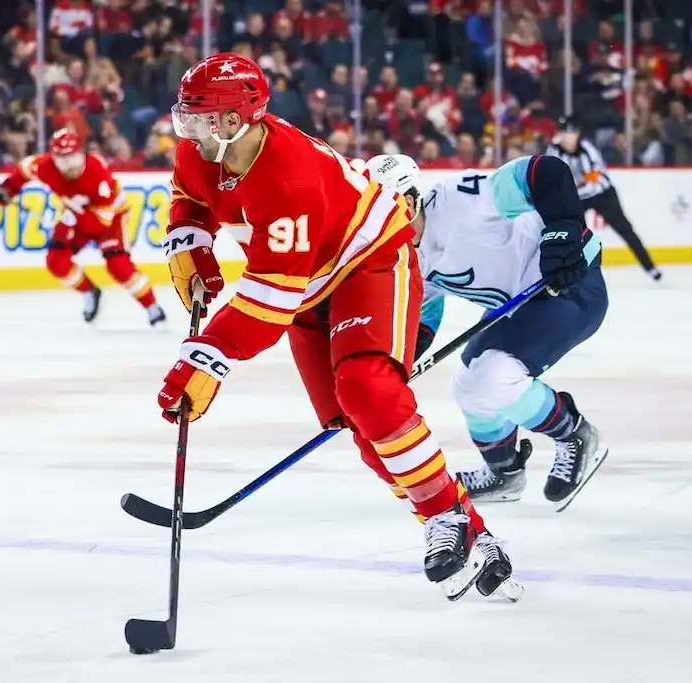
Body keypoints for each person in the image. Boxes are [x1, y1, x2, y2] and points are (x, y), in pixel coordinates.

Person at [156, 52, 521, 601]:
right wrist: (190, 239)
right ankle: (469, 528)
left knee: (368, 389)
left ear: (234, 121)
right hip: (307, 282)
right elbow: (191, 195)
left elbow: (269, 298)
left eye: (197, 119)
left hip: (369, 262)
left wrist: (208, 355)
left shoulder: (289, 176)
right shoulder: (201, 149)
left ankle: (442, 516)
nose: (187, 131)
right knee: (354, 420)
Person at [363, 153, 610, 511]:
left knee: (494, 378)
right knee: (467, 384)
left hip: (568, 286)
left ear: (413, 198)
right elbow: (422, 315)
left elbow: (547, 171)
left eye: (391, 210)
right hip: (518, 305)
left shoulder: (463, 201)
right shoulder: (405, 254)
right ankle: (504, 471)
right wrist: (395, 364)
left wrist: (564, 231)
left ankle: (574, 434)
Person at [0, 128, 165, 326]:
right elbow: (24, 170)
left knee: (118, 264)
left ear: (82, 153)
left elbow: (101, 221)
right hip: (75, 213)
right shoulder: (45, 166)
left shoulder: (97, 172)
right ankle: (89, 292)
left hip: (111, 217)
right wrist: (6, 189)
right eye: (63, 161)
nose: (70, 166)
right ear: (54, 158)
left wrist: (73, 219)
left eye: (73, 158)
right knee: (56, 261)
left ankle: (152, 307)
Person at [546, 116, 662, 281]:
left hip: (603, 194)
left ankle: (650, 267)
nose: (566, 137)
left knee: (625, 229)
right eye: (562, 133)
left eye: (569, 133)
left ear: (577, 134)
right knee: (567, 231)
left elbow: (595, 179)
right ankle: (567, 271)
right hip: (577, 196)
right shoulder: (554, 150)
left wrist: (572, 188)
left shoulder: (588, 149)